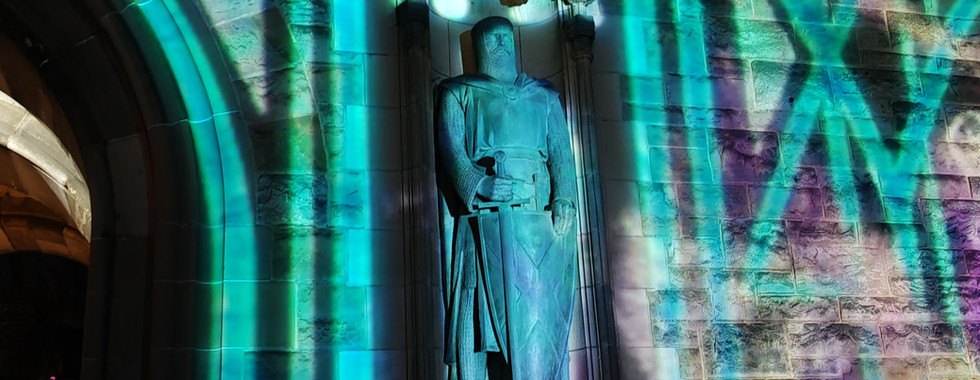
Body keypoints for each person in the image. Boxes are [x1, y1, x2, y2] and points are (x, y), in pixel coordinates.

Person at [434, 16, 578, 380]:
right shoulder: (457, 92)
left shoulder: (544, 97)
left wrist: (564, 199)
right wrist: (478, 184)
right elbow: (451, 150)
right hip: (485, 227)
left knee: (540, 322)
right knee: (478, 321)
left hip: (537, 230)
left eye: (504, 37)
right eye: (491, 38)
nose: (499, 44)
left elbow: (561, 152)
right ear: (480, 46)